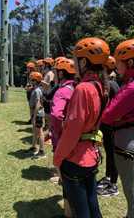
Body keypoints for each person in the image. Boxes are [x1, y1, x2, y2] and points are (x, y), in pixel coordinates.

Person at [54, 37, 110, 218]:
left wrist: (58, 157)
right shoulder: (101, 86)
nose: (74, 64)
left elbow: (72, 130)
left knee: (81, 210)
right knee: (93, 203)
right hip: (91, 155)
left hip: (76, 158)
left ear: (84, 61)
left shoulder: (83, 88)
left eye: (76, 60)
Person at [101, 39, 134, 218]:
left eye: (119, 63)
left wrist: (115, 114)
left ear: (129, 62)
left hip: (126, 139)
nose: (116, 67)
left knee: (130, 188)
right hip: (132, 135)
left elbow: (108, 115)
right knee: (132, 185)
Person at [50, 57, 76, 218]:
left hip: (62, 140)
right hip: (78, 139)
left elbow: (56, 115)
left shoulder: (62, 91)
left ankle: (68, 213)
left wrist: (59, 133)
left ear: (61, 73)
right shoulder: (78, 88)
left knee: (66, 179)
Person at [97, 56, 120, 197]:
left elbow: (117, 105)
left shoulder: (112, 84)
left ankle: (113, 184)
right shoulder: (106, 83)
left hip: (112, 126)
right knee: (108, 151)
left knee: (112, 154)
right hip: (105, 125)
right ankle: (107, 176)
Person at [26, 71, 46, 159]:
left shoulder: (37, 90)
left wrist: (34, 116)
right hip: (35, 113)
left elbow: (38, 104)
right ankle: (34, 147)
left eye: (32, 80)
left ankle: (42, 151)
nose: (30, 81)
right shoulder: (35, 89)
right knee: (35, 131)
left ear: (35, 80)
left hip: (38, 114)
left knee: (40, 132)